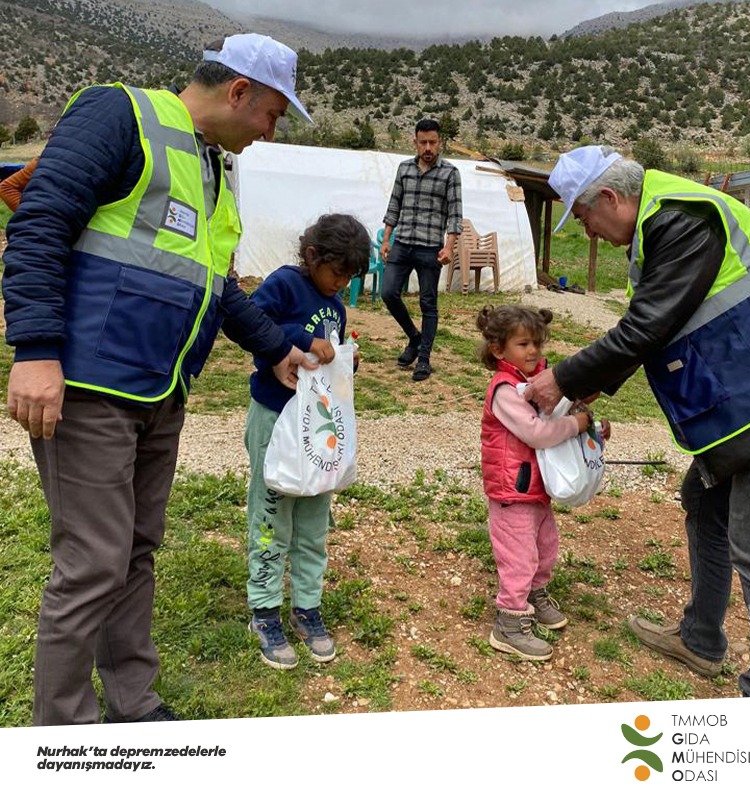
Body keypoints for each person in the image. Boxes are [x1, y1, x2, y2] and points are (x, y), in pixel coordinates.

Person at [2, 32, 316, 726]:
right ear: (239, 91)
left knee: (135, 550)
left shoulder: (212, 168)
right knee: (93, 561)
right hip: (90, 387)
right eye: (271, 114)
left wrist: (273, 348)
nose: (270, 132)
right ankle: (65, 735)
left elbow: (212, 282)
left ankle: (133, 703)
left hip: (159, 390)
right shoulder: (119, 115)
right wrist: (36, 350)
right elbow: (40, 225)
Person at [527, 144, 750, 696]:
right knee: (703, 501)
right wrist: (592, 384)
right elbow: (656, 329)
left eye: (583, 218)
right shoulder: (660, 223)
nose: (589, 233)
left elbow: (646, 328)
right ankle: (701, 639)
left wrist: (563, 379)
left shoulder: (681, 220)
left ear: (609, 198)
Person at [244, 213, 369, 669]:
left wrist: (344, 364)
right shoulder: (283, 284)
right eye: (337, 273)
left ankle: (307, 606)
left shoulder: (335, 305)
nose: (342, 284)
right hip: (275, 420)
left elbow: (325, 357)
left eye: (350, 278)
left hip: (316, 428)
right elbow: (253, 321)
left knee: (315, 520)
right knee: (271, 516)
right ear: (312, 256)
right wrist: (303, 339)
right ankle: (263, 610)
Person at [478, 304, 609, 661]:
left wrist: (591, 427)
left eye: (536, 343)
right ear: (498, 350)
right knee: (518, 556)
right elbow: (536, 432)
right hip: (512, 489)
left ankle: (535, 595)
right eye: (523, 344)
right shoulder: (505, 391)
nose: (533, 351)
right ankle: (509, 621)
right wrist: (574, 425)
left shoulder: (537, 381)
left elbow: (560, 409)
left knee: (545, 545)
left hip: (536, 488)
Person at [380, 117, 462, 382]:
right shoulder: (404, 169)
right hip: (402, 243)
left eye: (432, 142)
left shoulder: (450, 173)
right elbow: (394, 205)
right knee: (388, 292)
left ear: (440, 143)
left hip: (430, 248)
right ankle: (415, 338)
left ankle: (424, 358)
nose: (428, 147)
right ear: (415, 142)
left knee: (428, 303)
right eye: (423, 142)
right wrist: (386, 239)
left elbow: (455, 214)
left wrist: (449, 246)